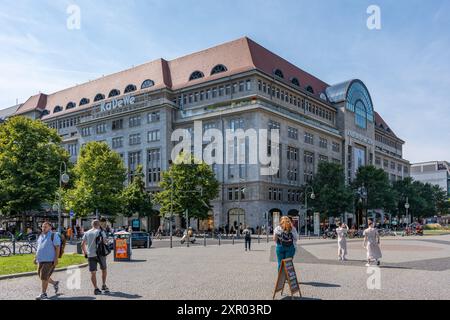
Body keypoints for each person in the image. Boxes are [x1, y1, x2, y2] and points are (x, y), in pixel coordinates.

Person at [82, 220, 110, 295]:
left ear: (92, 225)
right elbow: (104, 242)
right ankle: (103, 285)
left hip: (90, 254)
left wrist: (85, 253)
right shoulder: (100, 232)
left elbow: (82, 244)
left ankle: (96, 288)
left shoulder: (87, 232)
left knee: (93, 272)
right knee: (104, 269)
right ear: (99, 224)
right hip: (100, 254)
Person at [34, 222, 61, 300]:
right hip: (40, 259)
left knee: (44, 277)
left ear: (50, 227)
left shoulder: (53, 235)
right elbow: (39, 247)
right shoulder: (41, 236)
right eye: (42, 227)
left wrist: (56, 259)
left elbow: (57, 247)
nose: (43, 228)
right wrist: (35, 257)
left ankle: (43, 294)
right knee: (41, 275)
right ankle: (55, 283)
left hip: (49, 260)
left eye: (45, 227)